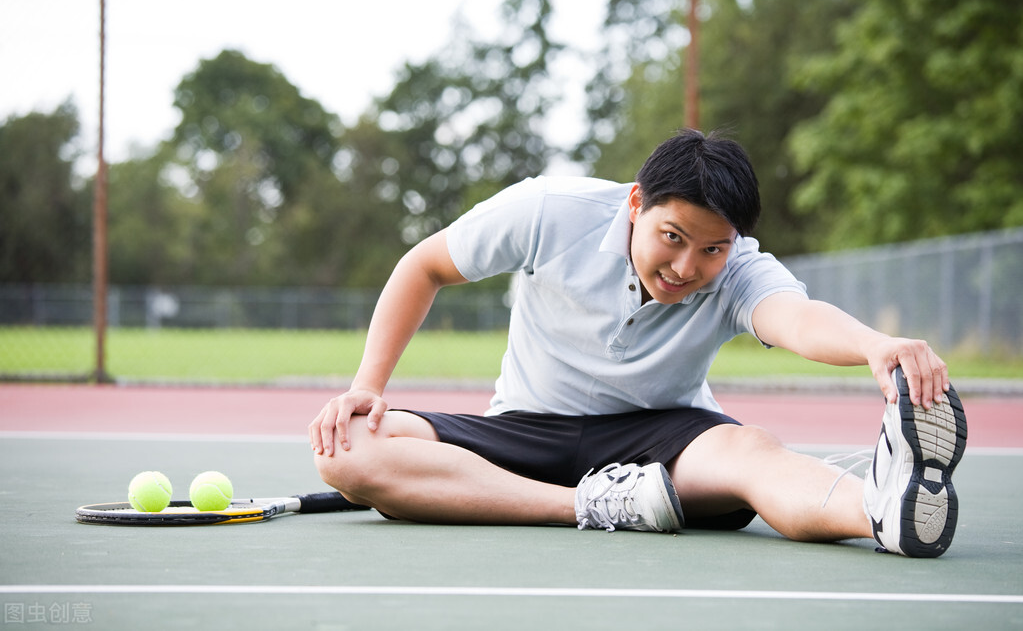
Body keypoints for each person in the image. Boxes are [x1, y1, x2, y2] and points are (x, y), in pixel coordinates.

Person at [308, 129, 967, 558]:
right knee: (348, 453)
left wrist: (872, 344)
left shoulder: (738, 271)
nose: (686, 268)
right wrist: (367, 387)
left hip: (661, 444)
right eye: (672, 238)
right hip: (523, 430)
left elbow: (795, 318)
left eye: (712, 248)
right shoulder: (548, 211)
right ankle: (588, 507)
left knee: (751, 452)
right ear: (634, 204)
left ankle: (881, 510)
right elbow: (423, 266)